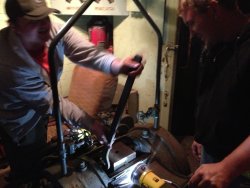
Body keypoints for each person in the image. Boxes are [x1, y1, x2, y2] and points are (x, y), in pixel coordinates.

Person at [0, 0, 144, 186]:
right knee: (29, 164)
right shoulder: (7, 63)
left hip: (39, 108)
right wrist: (90, 123)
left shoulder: (53, 30)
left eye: (45, 16)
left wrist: (117, 65)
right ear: (14, 26)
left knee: (42, 152)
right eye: (33, 20)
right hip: (18, 119)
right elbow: (50, 101)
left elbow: (85, 52)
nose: (44, 24)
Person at [179, 0, 250, 187]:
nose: (192, 33)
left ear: (214, 10)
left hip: (240, 168)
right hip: (213, 154)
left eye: (192, 23)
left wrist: (228, 167)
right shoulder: (217, 43)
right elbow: (213, 95)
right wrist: (202, 135)